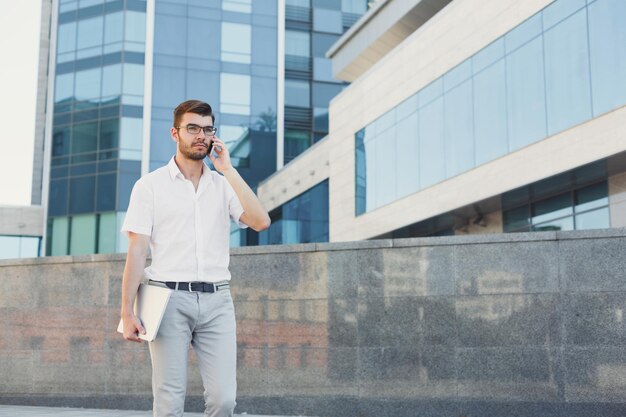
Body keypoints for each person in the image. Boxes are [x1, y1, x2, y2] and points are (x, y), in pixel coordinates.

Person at [120, 99, 271, 417]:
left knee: (223, 400)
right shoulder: (149, 186)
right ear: (175, 133)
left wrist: (227, 169)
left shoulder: (223, 185)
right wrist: (126, 311)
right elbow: (137, 251)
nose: (201, 135)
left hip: (218, 301)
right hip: (167, 298)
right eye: (192, 128)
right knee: (169, 400)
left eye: (207, 129)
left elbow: (260, 221)